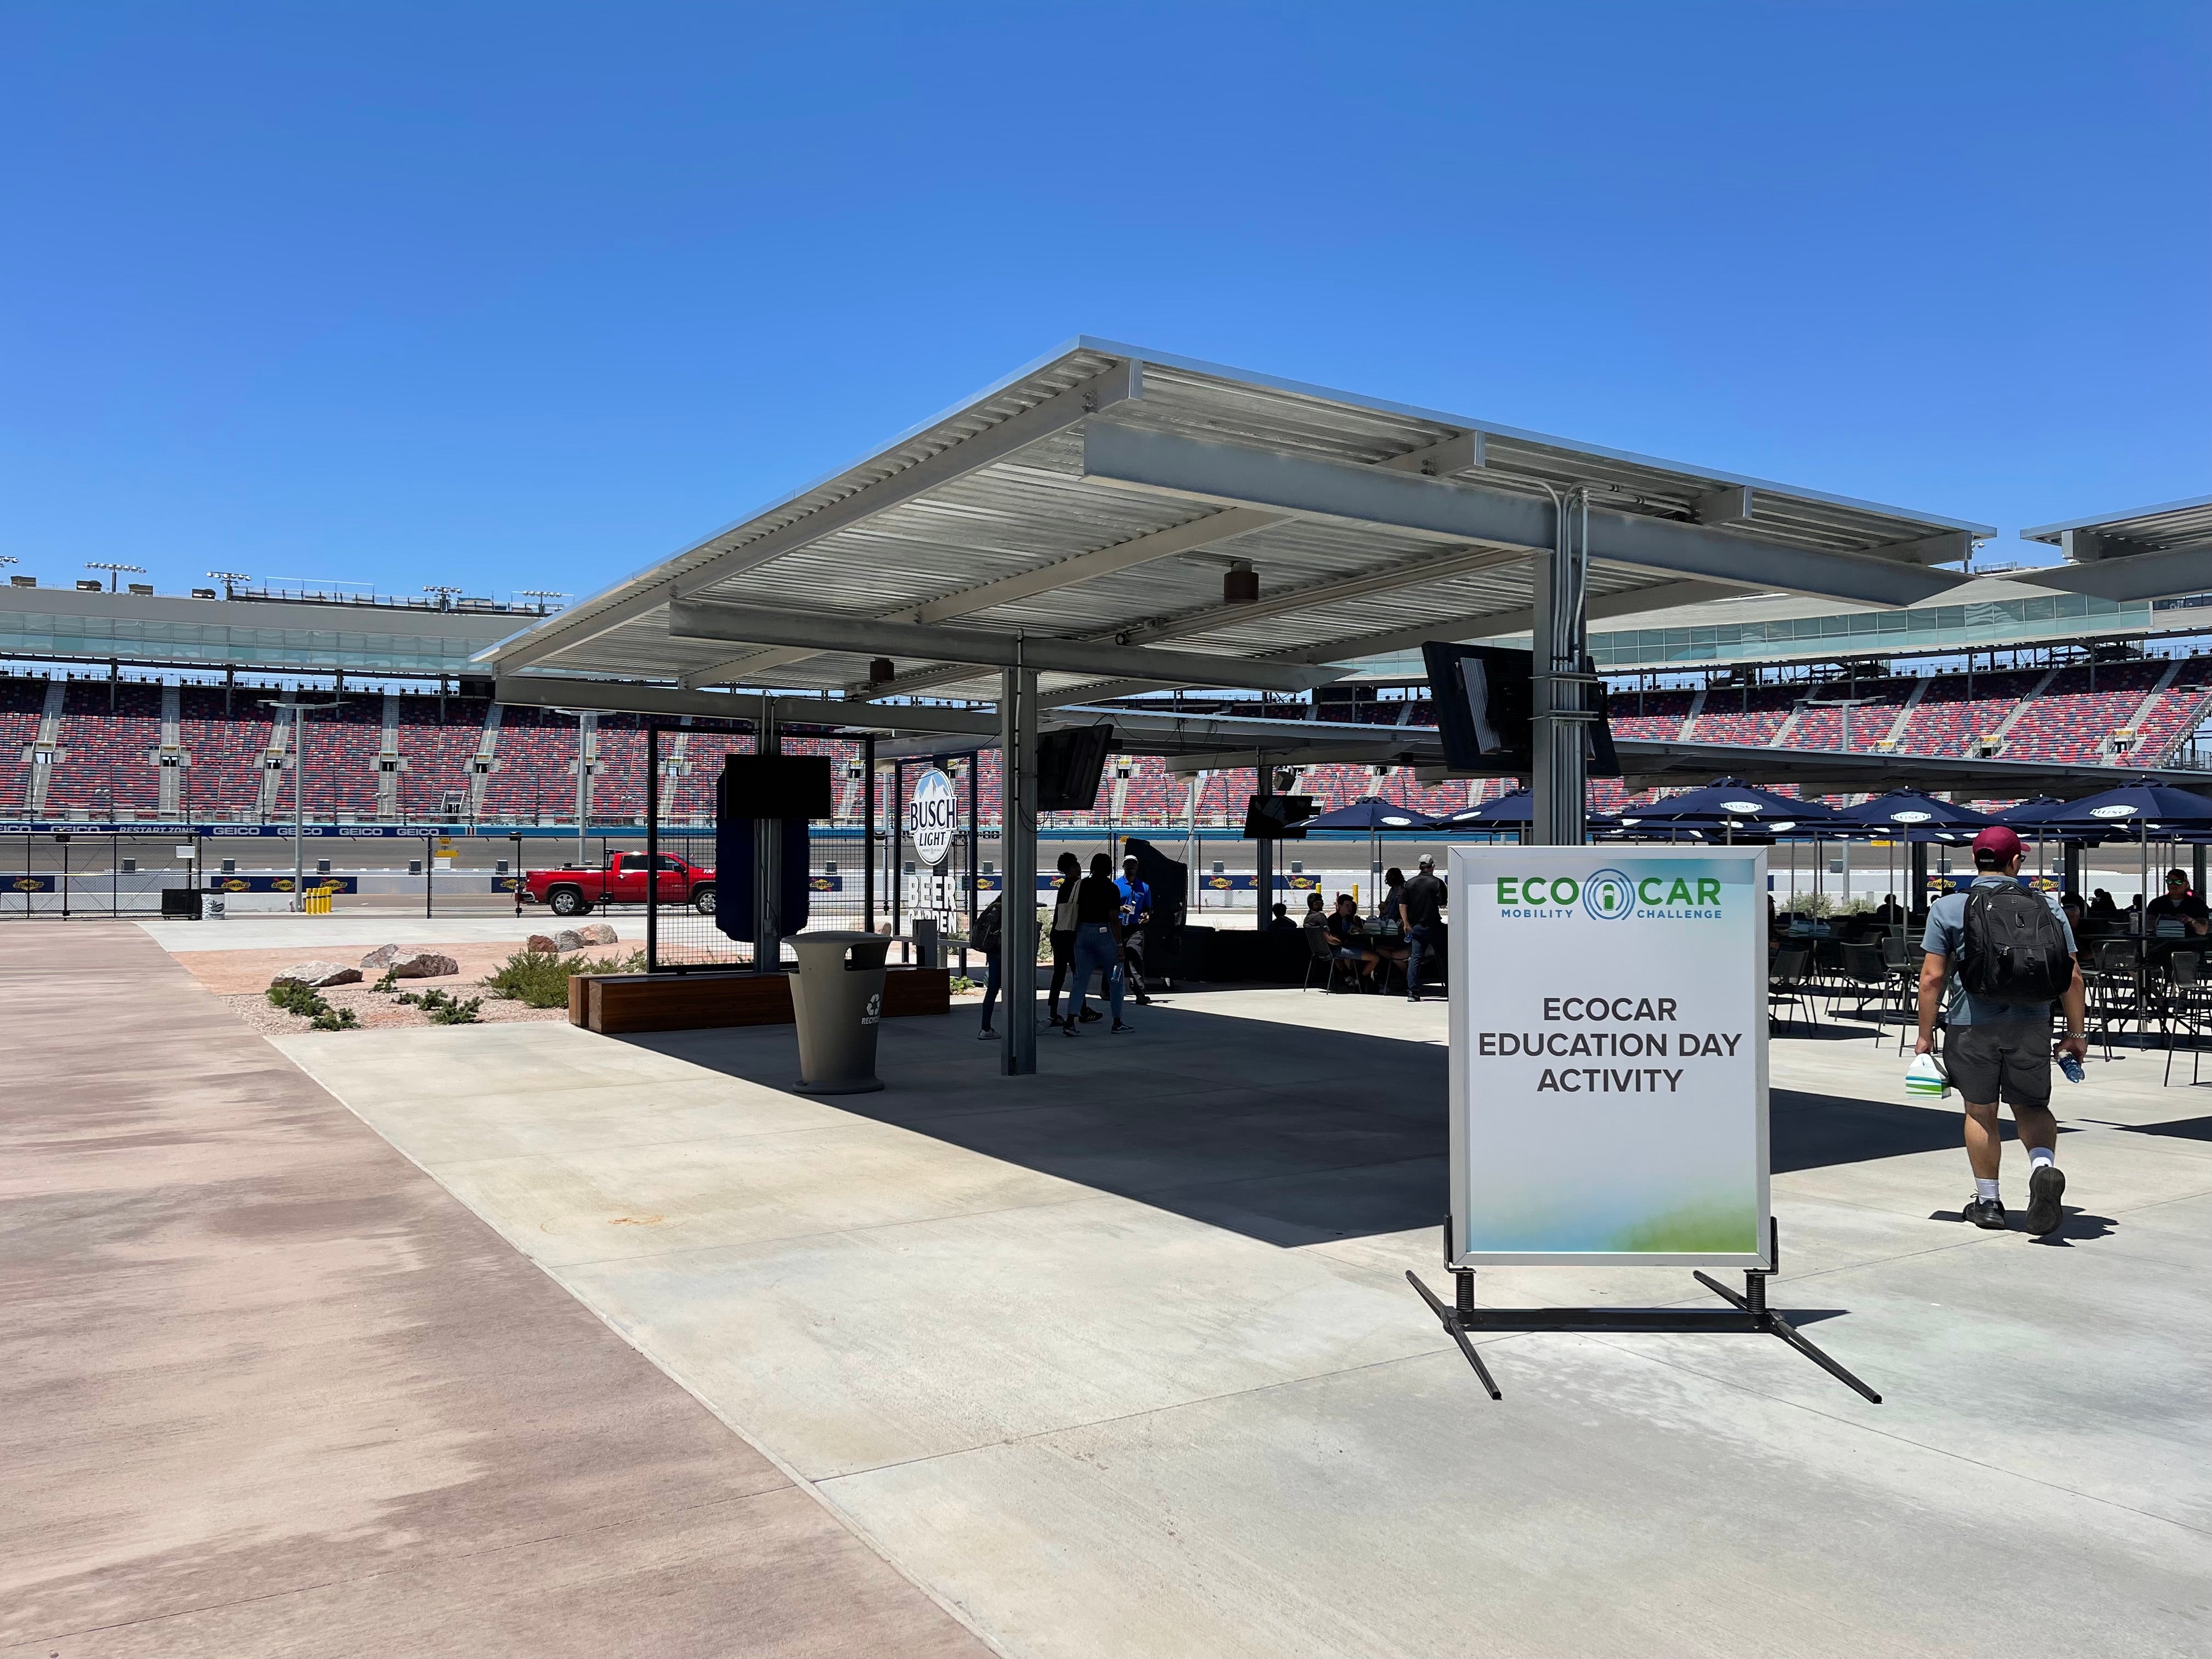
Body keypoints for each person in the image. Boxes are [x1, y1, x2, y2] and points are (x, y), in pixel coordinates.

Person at [1915, 825, 2085, 1235]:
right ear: (2015, 862)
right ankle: (2042, 1166)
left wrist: (1925, 1034)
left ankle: (1989, 1202)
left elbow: (1931, 978)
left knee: (1980, 1110)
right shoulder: (2049, 907)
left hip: (1971, 1024)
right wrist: (2076, 1034)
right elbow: (2074, 977)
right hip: (2031, 1023)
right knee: (2031, 1106)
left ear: (1976, 860)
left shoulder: (1949, 908)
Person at [1064, 852, 1132, 1035]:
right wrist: (1119, 946)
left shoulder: (1082, 885)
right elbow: (1113, 918)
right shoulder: (1112, 888)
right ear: (1109, 869)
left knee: (1080, 980)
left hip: (1083, 935)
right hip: (1105, 936)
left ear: (1092, 867)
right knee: (1116, 977)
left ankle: (1070, 1021)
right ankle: (1117, 1022)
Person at [1046, 852, 1094, 1028]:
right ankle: (1081, 1011)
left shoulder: (1063, 887)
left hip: (1059, 935)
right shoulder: (1079, 886)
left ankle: (1054, 1013)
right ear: (1069, 869)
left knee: (1059, 975)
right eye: (1076, 865)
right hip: (1072, 936)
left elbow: (1059, 914)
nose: (1079, 868)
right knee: (1078, 975)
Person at [1400, 854, 1447, 1002]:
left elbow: (1402, 905)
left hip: (1417, 927)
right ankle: (1451, 990)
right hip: (1434, 927)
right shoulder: (1437, 883)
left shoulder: (1410, 884)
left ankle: (1412, 992)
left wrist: (1406, 923)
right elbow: (1443, 905)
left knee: (1415, 959)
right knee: (1444, 958)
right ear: (1432, 866)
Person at [1116, 854, 1154, 1007]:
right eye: (1128, 864)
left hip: (1136, 929)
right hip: (1118, 928)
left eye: (1134, 864)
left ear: (1137, 867)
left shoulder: (1144, 887)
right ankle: (1107, 990)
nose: (1131, 866)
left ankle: (1140, 993)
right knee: (1114, 960)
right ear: (1124, 866)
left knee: (1136, 957)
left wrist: (1147, 916)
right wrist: (1120, 908)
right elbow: (1110, 907)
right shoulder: (1116, 886)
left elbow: (1148, 908)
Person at [1323, 893, 1379, 989]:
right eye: (1347, 905)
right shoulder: (1333, 920)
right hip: (1339, 949)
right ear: (1340, 906)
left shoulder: (1349, 918)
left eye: (1351, 905)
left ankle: (1359, 978)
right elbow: (1334, 938)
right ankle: (1361, 979)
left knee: (1369, 949)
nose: (1350, 908)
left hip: (1351, 945)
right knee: (1375, 958)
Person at [2145, 869, 2210, 941]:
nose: (2173, 885)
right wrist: (2161, 919)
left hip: (2189, 946)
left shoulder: (2198, 904)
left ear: (2186, 884)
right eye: (2170, 881)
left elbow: (2203, 931)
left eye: (2178, 882)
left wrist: (2191, 921)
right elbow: (2148, 927)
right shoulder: (2157, 903)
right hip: (2160, 946)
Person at [971, 894, 1003, 1040]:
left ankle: (985, 1028)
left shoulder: (994, 907)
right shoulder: (1009, 910)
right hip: (1005, 952)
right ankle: (1025, 1024)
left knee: (992, 989)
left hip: (992, 952)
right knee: (1017, 988)